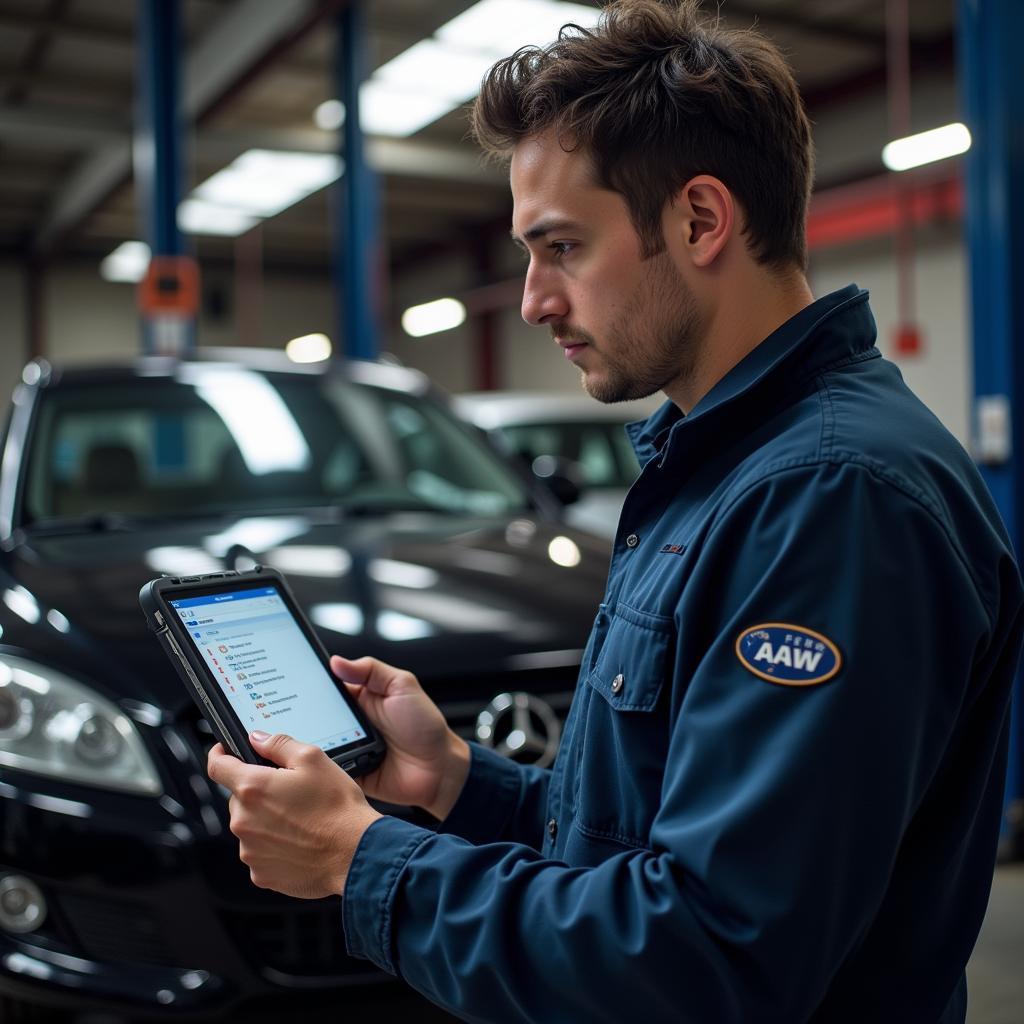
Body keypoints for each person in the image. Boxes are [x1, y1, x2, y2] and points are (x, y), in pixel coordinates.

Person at [207, 2, 1023, 1020]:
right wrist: (457, 780)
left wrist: (363, 857)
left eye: (560, 248)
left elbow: (707, 955)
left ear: (698, 220)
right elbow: (643, 837)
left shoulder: (827, 498)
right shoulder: (719, 468)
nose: (535, 300)